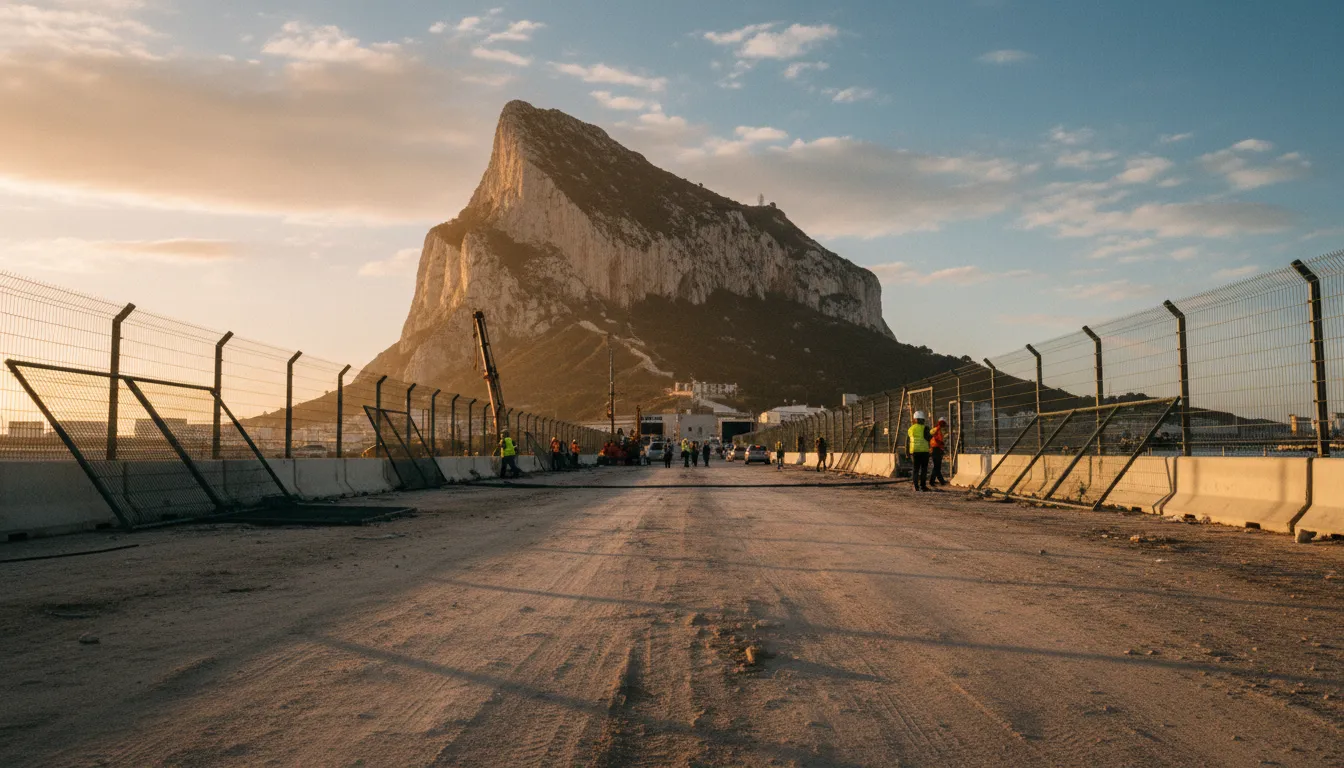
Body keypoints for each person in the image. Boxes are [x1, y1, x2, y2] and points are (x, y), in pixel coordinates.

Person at [908, 411, 932, 492]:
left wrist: (907, 452)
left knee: (915, 469)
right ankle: (923, 486)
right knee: (924, 469)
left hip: (915, 452)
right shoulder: (926, 428)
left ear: (915, 419)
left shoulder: (911, 428)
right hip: (924, 452)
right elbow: (928, 438)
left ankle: (915, 486)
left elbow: (907, 441)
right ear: (923, 419)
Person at [929, 417, 948, 487]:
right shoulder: (937, 429)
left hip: (938, 449)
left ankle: (940, 481)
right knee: (937, 466)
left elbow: (941, 439)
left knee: (937, 466)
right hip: (936, 449)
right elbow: (931, 432)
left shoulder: (939, 430)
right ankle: (934, 481)